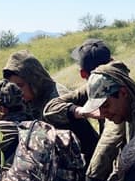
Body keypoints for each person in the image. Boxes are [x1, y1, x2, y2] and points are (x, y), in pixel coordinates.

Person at [42, 38, 110, 166]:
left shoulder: (120, 90)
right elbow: (50, 109)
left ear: (83, 74)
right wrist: (84, 111)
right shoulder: (90, 89)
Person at [2, 50, 60, 119]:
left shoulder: (58, 99)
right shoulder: (21, 103)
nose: (17, 91)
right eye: (13, 87)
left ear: (35, 81)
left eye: (20, 85)